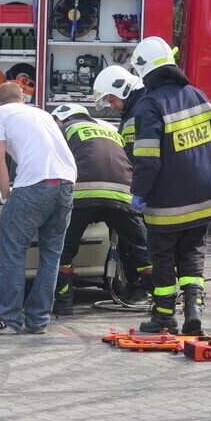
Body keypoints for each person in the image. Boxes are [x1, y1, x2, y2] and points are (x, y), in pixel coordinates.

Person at [129, 37, 211, 335]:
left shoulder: (149, 104)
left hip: (169, 202)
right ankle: (193, 311)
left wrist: (139, 193)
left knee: (161, 256)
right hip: (207, 197)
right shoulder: (199, 96)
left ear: (145, 70)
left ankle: (163, 317)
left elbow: (148, 159)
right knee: (193, 253)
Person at [0, 82, 76, 335]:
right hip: (66, 185)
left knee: (12, 254)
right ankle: (38, 321)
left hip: (34, 185)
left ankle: (7, 319)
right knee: (51, 256)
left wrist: (7, 195)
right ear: (23, 98)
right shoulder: (42, 114)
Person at [49, 104, 153, 314]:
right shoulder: (111, 132)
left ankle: (63, 305)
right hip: (122, 195)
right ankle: (160, 300)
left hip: (83, 195)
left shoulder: (64, 130)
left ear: (61, 118)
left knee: (65, 251)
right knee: (141, 249)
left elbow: (52, 162)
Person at [93, 65, 145, 163]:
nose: (112, 107)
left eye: (112, 101)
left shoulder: (141, 106)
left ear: (122, 90)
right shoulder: (132, 108)